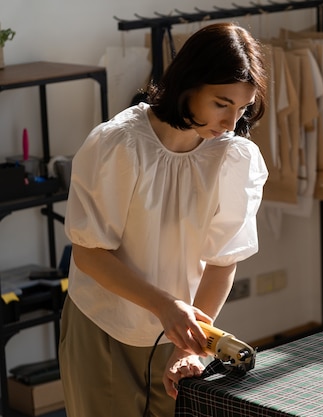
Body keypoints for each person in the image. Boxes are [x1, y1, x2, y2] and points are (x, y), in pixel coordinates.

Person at [59, 22, 268, 417]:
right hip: (104, 324)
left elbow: (223, 263)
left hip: (177, 328)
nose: (230, 122)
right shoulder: (119, 145)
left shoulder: (232, 158)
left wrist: (189, 345)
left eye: (241, 108)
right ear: (189, 85)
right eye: (221, 104)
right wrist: (167, 306)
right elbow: (89, 254)